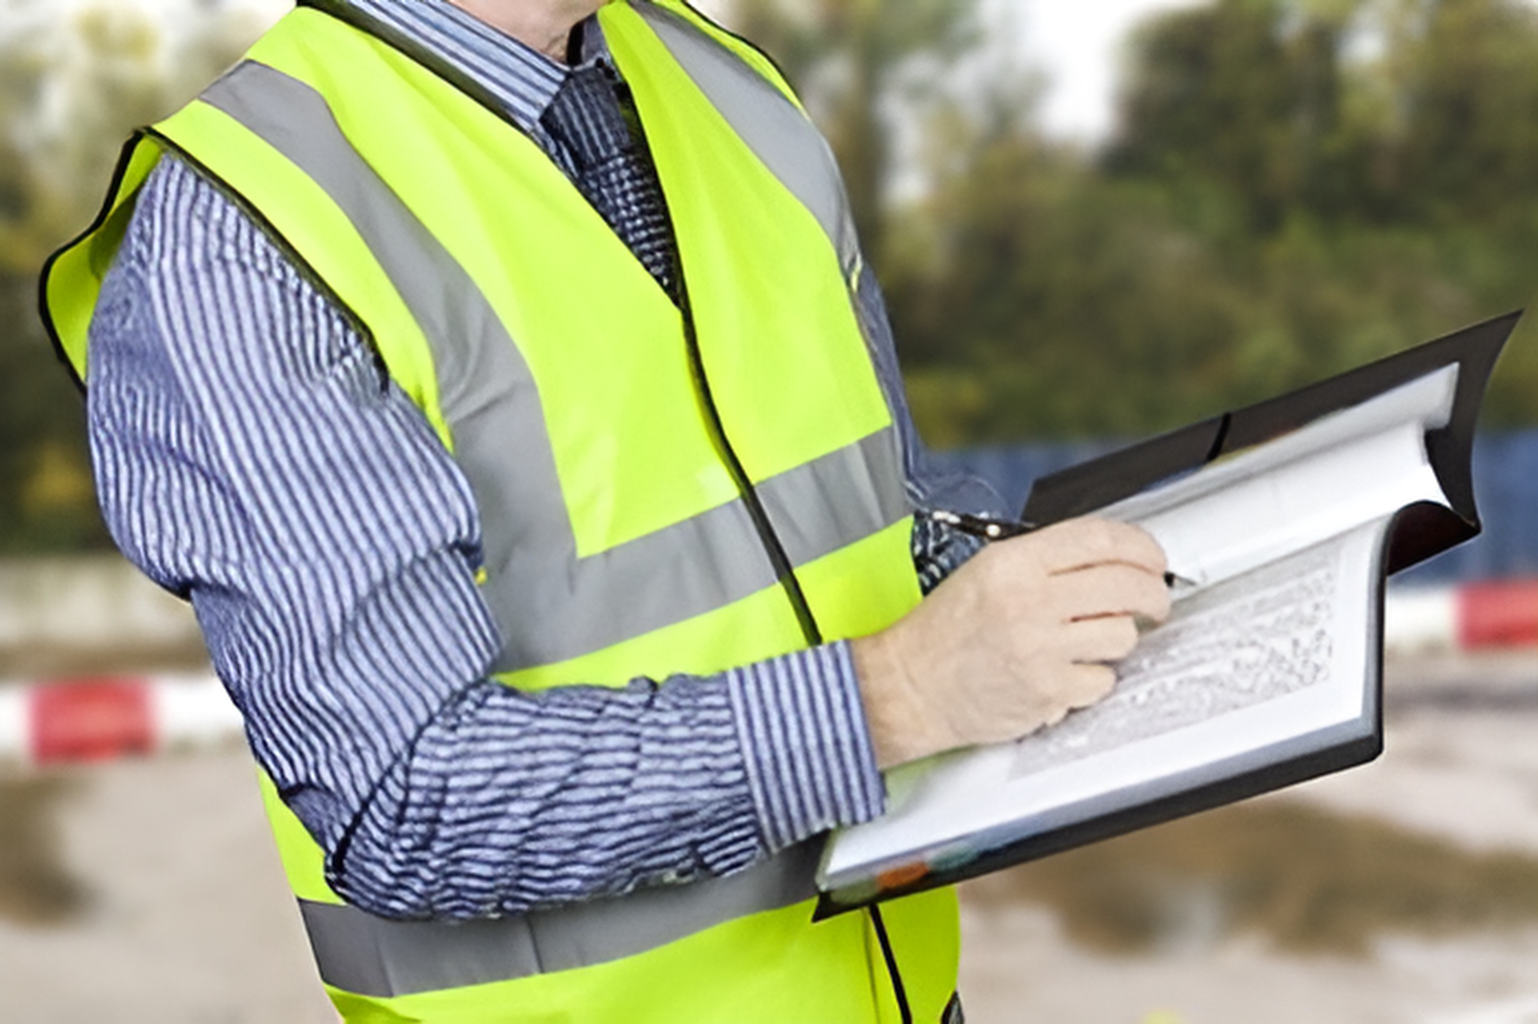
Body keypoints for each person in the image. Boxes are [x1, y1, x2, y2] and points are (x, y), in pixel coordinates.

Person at [39, 1, 1171, 1021]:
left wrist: (1116, 590)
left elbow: (884, 524)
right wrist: (900, 697)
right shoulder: (240, 236)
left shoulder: (727, 91)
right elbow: (405, 798)